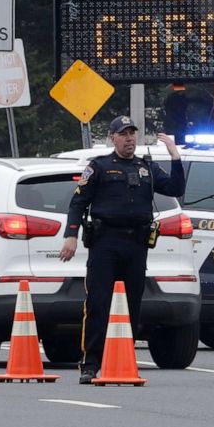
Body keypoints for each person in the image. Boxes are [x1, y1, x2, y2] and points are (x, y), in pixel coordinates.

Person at [58, 115, 184, 384]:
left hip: (136, 244)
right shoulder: (100, 166)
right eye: (123, 134)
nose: (129, 138)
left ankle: (124, 359)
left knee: (132, 306)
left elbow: (175, 187)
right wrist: (70, 236)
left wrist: (175, 157)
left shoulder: (146, 167)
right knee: (98, 303)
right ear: (112, 138)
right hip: (106, 243)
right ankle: (91, 363)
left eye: (132, 134)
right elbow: (77, 203)